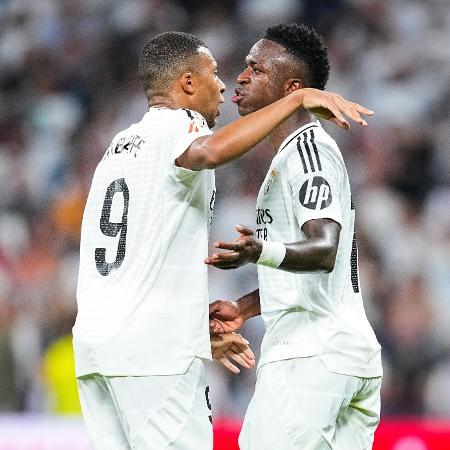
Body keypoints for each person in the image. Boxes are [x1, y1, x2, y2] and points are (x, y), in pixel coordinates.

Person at [73, 30, 374, 450]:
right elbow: (208, 152)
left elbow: (141, 258)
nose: (225, 82)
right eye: (214, 73)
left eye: (252, 68)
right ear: (187, 84)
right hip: (155, 351)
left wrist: (211, 321)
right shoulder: (182, 124)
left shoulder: (117, 147)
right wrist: (298, 99)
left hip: (95, 347)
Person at [207, 23, 383, 450]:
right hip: (342, 355)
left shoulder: (308, 151)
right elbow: (315, 270)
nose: (241, 76)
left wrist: (258, 250)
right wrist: (246, 308)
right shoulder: (293, 154)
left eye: (256, 69)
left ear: (293, 88)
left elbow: (324, 249)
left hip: (311, 356)